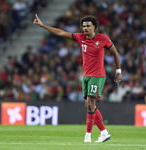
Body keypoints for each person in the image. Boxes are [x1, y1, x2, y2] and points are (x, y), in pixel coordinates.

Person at [33, 14, 122, 142]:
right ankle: (104, 132)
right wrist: (43, 26)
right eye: (84, 26)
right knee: (88, 105)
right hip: (85, 76)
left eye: (88, 26)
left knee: (91, 104)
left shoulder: (103, 39)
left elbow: (115, 53)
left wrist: (118, 71)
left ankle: (87, 137)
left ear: (94, 27)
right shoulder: (80, 37)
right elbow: (60, 32)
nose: (85, 28)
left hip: (97, 76)